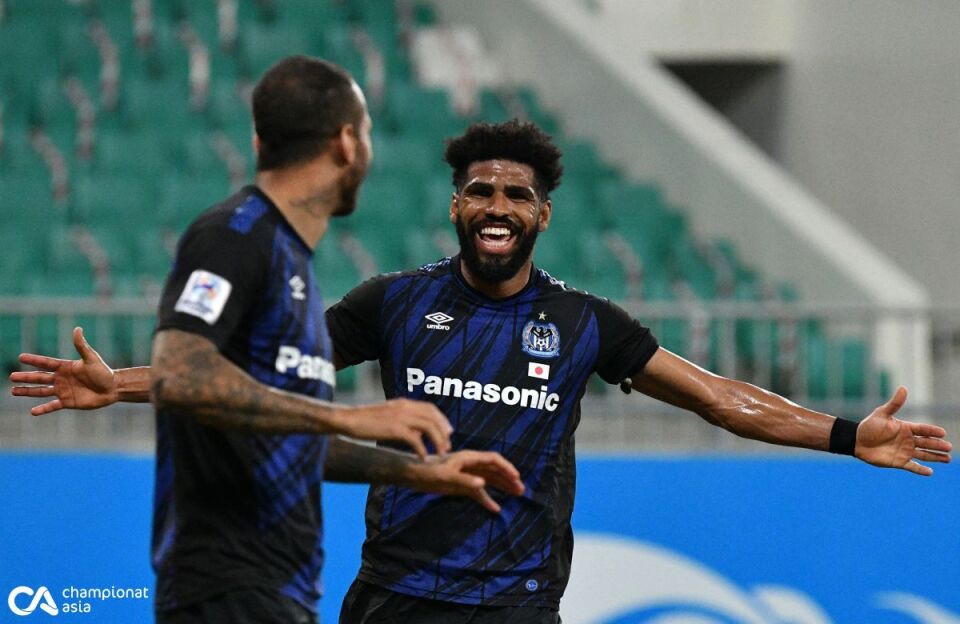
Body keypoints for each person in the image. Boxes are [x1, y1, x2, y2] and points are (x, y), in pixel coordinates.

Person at [12, 120, 951, 624]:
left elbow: (721, 401)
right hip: (393, 592)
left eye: (517, 195)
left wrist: (844, 433)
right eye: (480, 191)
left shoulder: (586, 324)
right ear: (456, 207)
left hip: (515, 603)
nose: (497, 205)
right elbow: (255, 371)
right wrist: (118, 383)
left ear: (543, 216)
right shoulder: (393, 304)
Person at [11, 58, 526, 624]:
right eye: (368, 133)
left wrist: (427, 473)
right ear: (347, 142)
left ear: (259, 142)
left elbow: (279, 435)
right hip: (226, 589)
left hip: (277, 592)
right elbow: (185, 375)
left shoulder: (287, 259)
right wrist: (349, 417)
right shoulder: (236, 234)